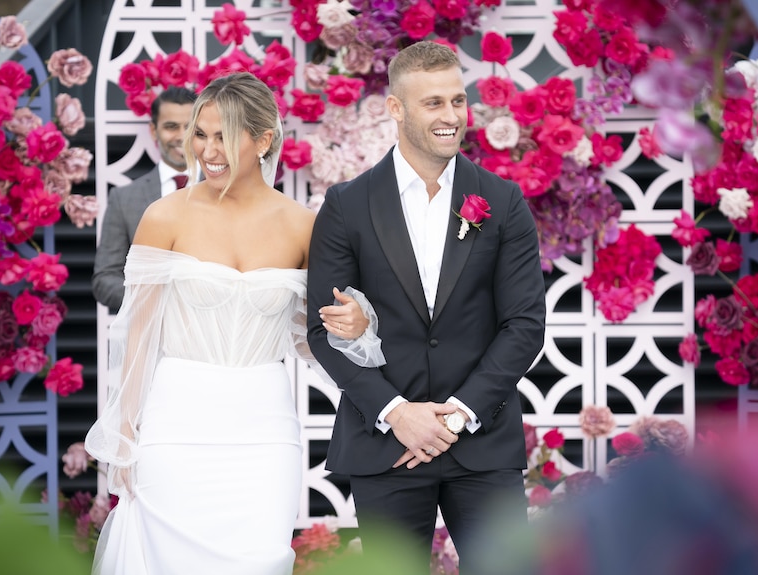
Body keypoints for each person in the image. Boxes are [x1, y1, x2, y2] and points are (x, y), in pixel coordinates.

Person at [84, 72, 375, 575]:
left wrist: (356, 324)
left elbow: (315, 336)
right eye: (201, 133)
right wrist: (125, 433)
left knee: (260, 560)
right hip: (175, 425)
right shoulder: (163, 216)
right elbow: (139, 335)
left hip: (264, 429)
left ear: (263, 140)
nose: (207, 149)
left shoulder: (304, 225)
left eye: (225, 135)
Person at [306, 41, 547, 573]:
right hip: (386, 443)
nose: (451, 116)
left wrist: (458, 415)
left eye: (458, 101)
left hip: (482, 442)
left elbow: (525, 325)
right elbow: (325, 331)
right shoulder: (347, 205)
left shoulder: (502, 201)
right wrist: (398, 415)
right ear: (396, 109)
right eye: (433, 103)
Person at [92, 86, 196, 313]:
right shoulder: (124, 198)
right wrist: (154, 303)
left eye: (189, 127)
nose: (181, 136)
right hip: (147, 335)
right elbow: (105, 279)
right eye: (171, 127)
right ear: (153, 131)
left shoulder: (225, 191)